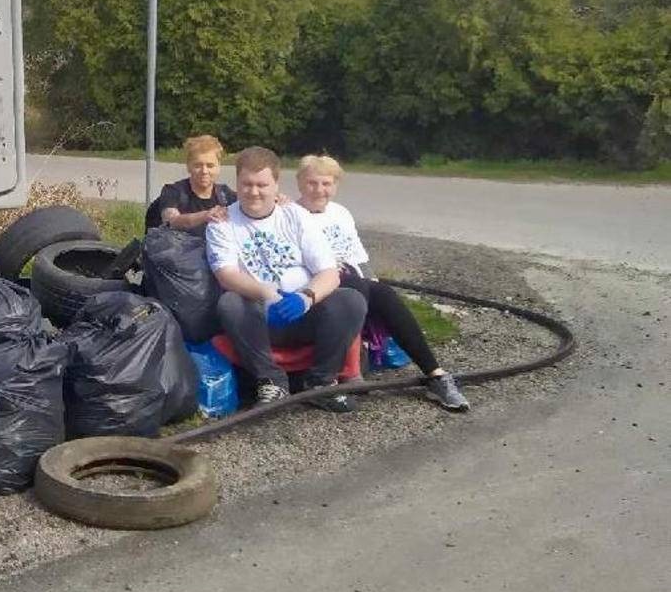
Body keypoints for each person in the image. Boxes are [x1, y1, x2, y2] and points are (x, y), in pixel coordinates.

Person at [295, 154, 470, 412]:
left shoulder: (340, 213)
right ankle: (351, 369)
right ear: (300, 183)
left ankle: (436, 374)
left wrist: (372, 283)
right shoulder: (291, 214)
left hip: (353, 279)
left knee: (382, 293)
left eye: (326, 183)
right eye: (312, 183)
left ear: (336, 185)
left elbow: (358, 256)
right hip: (318, 284)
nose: (319, 190)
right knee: (362, 289)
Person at [205, 147, 368, 411]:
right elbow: (227, 275)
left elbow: (329, 272)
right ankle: (271, 381)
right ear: (237, 183)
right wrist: (269, 294)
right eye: (247, 184)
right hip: (258, 318)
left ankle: (320, 383)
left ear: (276, 184)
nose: (254, 192)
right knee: (230, 303)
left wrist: (305, 298)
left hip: (304, 312)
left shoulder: (295, 215)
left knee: (351, 300)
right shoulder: (222, 222)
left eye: (262, 185)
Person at [144, 134, 237, 234]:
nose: (204, 171)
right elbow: (172, 221)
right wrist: (205, 216)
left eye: (210, 166)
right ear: (188, 166)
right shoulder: (173, 191)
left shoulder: (226, 195)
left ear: (218, 167)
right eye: (198, 165)